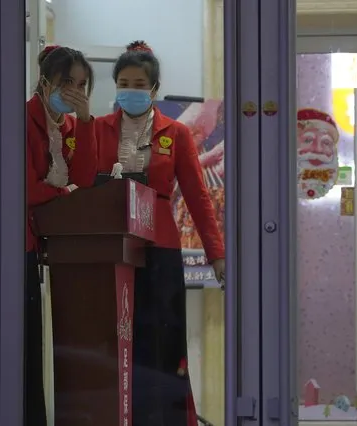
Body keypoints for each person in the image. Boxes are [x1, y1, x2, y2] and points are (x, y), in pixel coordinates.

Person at [95, 40, 225, 426]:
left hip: (163, 252)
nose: (130, 90)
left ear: (153, 89)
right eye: (123, 83)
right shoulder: (98, 130)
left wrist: (217, 255)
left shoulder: (178, 134)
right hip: (113, 252)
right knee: (117, 348)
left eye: (138, 83)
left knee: (164, 348)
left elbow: (200, 199)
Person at [26, 45, 96, 426]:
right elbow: (24, 188)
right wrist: (61, 193)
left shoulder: (72, 126)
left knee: (40, 341)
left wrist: (86, 122)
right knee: (23, 341)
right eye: (66, 82)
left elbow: (84, 179)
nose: (73, 91)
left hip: (54, 245)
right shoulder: (21, 118)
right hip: (20, 241)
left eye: (81, 85)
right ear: (45, 81)